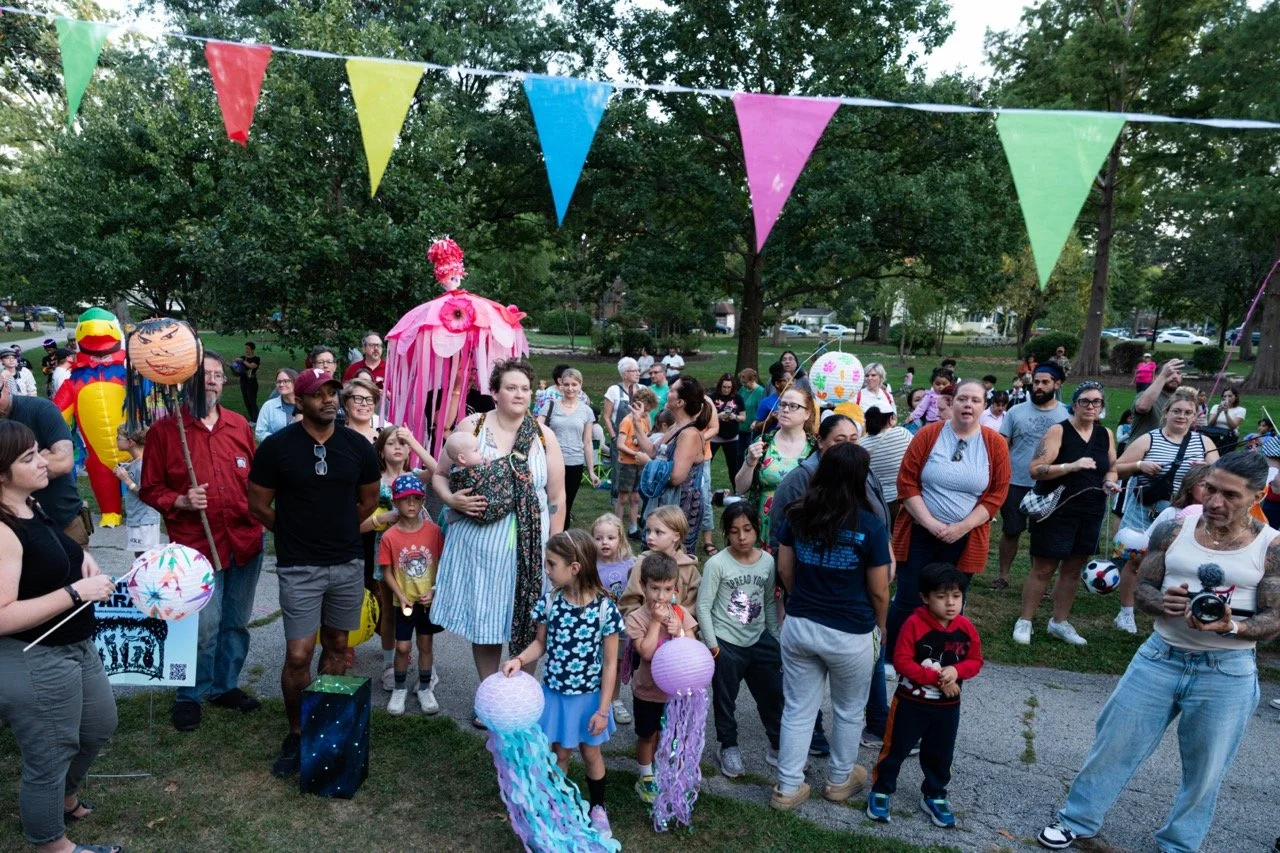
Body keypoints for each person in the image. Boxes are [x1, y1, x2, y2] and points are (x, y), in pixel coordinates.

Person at [1037, 452, 1280, 852]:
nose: (1215, 502)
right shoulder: (1172, 529)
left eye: (1230, 495)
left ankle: (1179, 845)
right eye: (1211, 489)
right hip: (1160, 654)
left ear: (1259, 493)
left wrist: (1231, 625)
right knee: (1114, 743)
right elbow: (1143, 586)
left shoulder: (1270, 547)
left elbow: (1275, 618)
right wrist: (1160, 602)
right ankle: (1076, 821)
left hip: (1227, 669)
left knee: (1206, 769)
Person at [248, 367, 380, 777]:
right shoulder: (277, 448)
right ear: (299, 402)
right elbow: (258, 505)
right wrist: (292, 534)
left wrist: (337, 530)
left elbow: (368, 501)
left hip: (346, 564)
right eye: (318, 393)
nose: (328, 399)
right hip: (298, 566)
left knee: (339, 646)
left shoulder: (358, 446)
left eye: (333, 392)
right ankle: (297, 732)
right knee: (298, 654)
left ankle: (324, 724)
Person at [0, 421, 122, 853]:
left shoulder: (31, 504)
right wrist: (75, 592)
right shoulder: (2, 530)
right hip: (35, 657)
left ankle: (64, 799)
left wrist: (82, 558)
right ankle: (52, 844)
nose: (42, 460)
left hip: (75, 647)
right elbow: (3, 616)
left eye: (39, 451)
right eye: (28, 457)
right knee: (50, 752)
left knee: (98, 727)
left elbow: (50, 549)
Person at [430, 361, 566, 717]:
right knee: (487, 619)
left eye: (525, 388)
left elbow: (556, 497)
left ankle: (522, 697)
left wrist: (555, 547)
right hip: (479, 547)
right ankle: (489, 696)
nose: (519, 394)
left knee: (530, 617)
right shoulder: (471, 428)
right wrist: (451, 499)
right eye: (511, 387)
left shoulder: (541, 436)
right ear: (495, 392)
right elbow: (440, 476)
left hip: (531, 546)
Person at [141, 351, 266, 731]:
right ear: (187, 382)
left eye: (216, 374)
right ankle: (190, 694)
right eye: (203, 374)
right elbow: (149, 488)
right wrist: (179, 500)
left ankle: (224, 686)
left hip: (244, 539)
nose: (212, 380)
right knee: (203, 626)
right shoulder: (167, 431)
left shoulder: (239, 425)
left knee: (236, 622)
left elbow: (258, 476)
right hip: (196, 547)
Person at [771, 442, 890, 811]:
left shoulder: (798, 514)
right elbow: (879, 590)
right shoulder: (870, 525)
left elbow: (785, 568)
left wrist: (800, 601)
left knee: (797, 708)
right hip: (851, 631)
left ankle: (787, 787)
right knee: (849, 710)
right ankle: (839, 780)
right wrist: (881, 627)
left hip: (801, 623)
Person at [502, 529, 623, 834]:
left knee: (591, 753)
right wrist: (519, 659)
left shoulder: (605, 608)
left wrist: (603, 709)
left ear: (575, 567)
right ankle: (560, 806)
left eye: (551, 564)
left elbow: (610, 664)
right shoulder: (550, 602)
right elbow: (540, 644)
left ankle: (598, 808)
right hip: (555, 695)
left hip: (590, 700)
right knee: (561, 754)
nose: (546, 569)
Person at [890, 379, 1011, 656]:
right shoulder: (928, 435)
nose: (968, 405)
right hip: (920, 532)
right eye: (962, 399)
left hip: (965, 537)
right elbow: (907, 482)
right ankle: (895, 655)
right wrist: (930, 523)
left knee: (951, 599)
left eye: (975, 400)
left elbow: (996, 495)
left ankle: (939, 655)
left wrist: (960, 528)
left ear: (985, 406)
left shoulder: (995, 445)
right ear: (951, 402)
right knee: (910, 597)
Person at [867, 562, 984, 828]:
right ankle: (882, 790)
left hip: (947, 707)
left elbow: (976, 661)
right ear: (925, 597)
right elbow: (902, 662)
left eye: (956, 596)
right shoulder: (914, 624)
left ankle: (934, 793)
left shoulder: (965, 628)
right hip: (910, 703)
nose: (950, 603)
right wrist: (939, 678)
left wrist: (956, 669)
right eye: (941, 597)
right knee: (895, 749)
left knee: (940, 754)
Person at [1013, 382, 1120, 647]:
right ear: (1074, 404)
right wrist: (1071, 466)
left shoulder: (1105, 434)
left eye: (1097, 402)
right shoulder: (1058, 430)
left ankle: (1059, 622)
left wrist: (1109, 481)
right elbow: (1036, 469)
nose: (1091, 406)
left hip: (1091, 509)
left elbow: (1112, 467)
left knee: (1073, 569)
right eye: (1085, 401)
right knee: (1044, 568)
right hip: (1057, 509)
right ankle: (1025, 620)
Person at [1110, 387, 1220, 634]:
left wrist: (1205, 469)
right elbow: (1117, 467)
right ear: (1166, 412)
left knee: (1179, 563)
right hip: (1146, 508)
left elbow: (1220, 476)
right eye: (1177, 411)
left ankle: (1174, 610)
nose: (1182, 416)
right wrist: (1140, 464)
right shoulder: (1149, 439)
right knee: (1135, 561)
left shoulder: (1205, 442)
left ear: (1195, 417)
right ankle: (1126, 612)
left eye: (1188, 412)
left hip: (1185, 512)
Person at [698, 503, 782, 778]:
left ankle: (778, 743)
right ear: (726, 533)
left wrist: (774, 638)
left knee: (772, 694)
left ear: (757, 529)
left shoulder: (768, 561)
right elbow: (704, 607)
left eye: (747, 530)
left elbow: (769, 600)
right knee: (725, 699)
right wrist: (713, 646)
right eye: (734, 531)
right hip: (726, 642)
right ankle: (728, 746)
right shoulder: (717, 564)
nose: (742, 537)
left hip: (759, 639)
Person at [623, 550, 698, 804]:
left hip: (675, 692)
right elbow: (646, 652)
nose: (661, 596)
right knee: (648, 734)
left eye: (667, 589)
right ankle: (645, 777)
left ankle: (667, 771)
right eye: (655, 589)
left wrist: (679, 632)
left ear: (674, 588)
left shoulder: (680, 613)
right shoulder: (637, 618)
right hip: (648, 690)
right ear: (643, 586)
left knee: (673, 734)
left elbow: (693, 647)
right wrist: (656, 623)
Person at [994, 364, 1069, 591]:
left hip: (1050, 485)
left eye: (1045, 382)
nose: (1039, 386)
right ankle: (1003, 577)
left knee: (1043, 537)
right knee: (1011, 531)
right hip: (1015, 482)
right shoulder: (1015, 412)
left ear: (1057, 384)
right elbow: (1001, 447)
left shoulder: (1067, 414)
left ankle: (1040, 583)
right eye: (1036, 381)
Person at [379, 473, 445, 717]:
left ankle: (426, 688)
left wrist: (435, 590)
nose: (411, 505)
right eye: (405, 500)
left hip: (427, 602)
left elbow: (445, 565)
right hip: (403, 602)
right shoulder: (390, 536)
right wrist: (400, 595)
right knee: (403, 647)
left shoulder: (435, 532)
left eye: (416, 500)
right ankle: (399, 688)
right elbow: (386, 572)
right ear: (395, 502)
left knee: (426, 644)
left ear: (423, 501)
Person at [0, 365, 87, 547]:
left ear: (6, 387)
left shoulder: (41, 409)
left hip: (62, 520)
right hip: (13, 529)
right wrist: (41, 459)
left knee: (79, 573)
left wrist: (11, 474)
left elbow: (63, 462)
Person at [632, 376, 711, 555]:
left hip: (680, 508)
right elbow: (653, 450)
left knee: (672, 559)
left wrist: (648, 465)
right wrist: (637, 422)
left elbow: (676, 477)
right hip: (664, 503)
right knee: (653, 554)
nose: (668, 392)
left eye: (673, 390)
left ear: (680, 402)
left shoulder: (689, 434)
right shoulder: (676, 426)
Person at [736, 385, 818, 548]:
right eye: (782, 404)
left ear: (807, 414)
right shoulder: (763, 443)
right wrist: (750, 462)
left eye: (793, 406)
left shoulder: (815, 449)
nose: (785, 410)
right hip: (763, 523)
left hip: (800, 525)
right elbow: (740, 487)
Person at [538, 367, 597, 523]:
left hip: (575, 463)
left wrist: (591, 471)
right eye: (566, 384)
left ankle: (560, 539)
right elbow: (536, 431)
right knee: (549, 502)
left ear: (580, 385)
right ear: (560, 385)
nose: (570, 388)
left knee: (567, 504)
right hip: (552, 462)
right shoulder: (550, 406)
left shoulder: (586, 411)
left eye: (574, 384)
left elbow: (588, 442)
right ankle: (545, 533)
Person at [593, 512, 636, 724]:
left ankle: (615, 700)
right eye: (599, 538)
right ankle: (596, 700)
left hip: (620, 627)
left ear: (620, 538)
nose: (604, 542)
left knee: (615, 663)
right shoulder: (590, 566)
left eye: (610, 537)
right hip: (595, 627)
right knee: (595, 663)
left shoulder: (630, 564)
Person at [613, 386, 658, 538]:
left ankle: (633, 528)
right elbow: (620, 444)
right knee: (623, 497)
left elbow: (649, 435)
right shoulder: (627, 421)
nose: (647, 413)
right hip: (627, 463)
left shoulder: (645, 419)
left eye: (649, 411)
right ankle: (617, 528)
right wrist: (636, 453)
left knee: (635, 497)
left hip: (640, 464)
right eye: (646, 410)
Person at [113, 423, 160, 558]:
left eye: (119, 437)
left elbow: (148, 494)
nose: (116, 440)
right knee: (139, 555)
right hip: (137, 517)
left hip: (145, 520)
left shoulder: (143, 464)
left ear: (130, 442)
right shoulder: (136, 461)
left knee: (145, 557)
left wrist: (127, 480)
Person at [602, 357, 642, 501]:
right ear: (624, 374)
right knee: (618, 470)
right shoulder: (614, 390)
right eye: (634, 371)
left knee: (638, 470)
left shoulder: (643, 390)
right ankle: (616, 500)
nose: (638, 373)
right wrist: (613, 437)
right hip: (620, 438)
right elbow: (606, 417)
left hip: (639, 440)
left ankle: (634, 501)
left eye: (638, 370)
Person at [862, 408, 913, 523]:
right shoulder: (901, 433)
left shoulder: (861, 443)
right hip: (903, 495)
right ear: (890, 419)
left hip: (877, 500)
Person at [1130, 357, 1184, 442]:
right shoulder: (1145, 395)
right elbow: (1142, 407)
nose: (1175, 376)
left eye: (1178, 373)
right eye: (1170, 373)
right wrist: (1163, 375)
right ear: (1156, 377)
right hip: (1142, 452)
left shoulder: (1180, 401)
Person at [709, 372, 745, 484]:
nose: (726, 389)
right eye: (724, 387)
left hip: (732, 437)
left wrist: (734, 417)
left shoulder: (738, 398)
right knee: (706, 463)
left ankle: (737, 491)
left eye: (729, 387)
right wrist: (718, 416)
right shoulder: (712, 397)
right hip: (715, 436)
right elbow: (706, 417)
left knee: (733, 466)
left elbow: (743, 418)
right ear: (720, 386)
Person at [255, 369, 298, 441]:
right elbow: (260, 433)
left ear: (295, 382)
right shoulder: (269, 406)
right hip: (276, 450)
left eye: (285, 381)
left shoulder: (306, 405)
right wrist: (279, 440)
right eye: (279, 382)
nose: (281, 384)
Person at [1203, 385, 1246, 451]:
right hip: (1214, 434)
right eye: (1224, 396)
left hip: (1229, 436)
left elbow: (1233, 426)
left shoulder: (1241, 410)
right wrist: (1218, 413)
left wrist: (1226, 413)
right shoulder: (1215, 407)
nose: (1227, 398)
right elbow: (1210, 424)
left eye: (1230, 396)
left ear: (1236, 397)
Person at [750, 362, 789, 434]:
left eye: (792, 380)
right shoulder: (766, 403)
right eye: (786, 380)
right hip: (772, 441)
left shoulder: (797, 402)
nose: (791, 383)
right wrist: (770, 420)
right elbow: (756, 428)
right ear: (777, 384)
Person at [736, 367, 765, 460]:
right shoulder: (743, 389)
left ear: (752, 380)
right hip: (741, 427)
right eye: (742, 382)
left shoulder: (760, 391)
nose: (743, 384)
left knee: (750, 454)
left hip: (752, 429)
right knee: (739, 455)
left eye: (745, 382)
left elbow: (761, 409)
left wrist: (756, 421)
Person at [342, 377, 383, 442]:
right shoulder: (336, 436)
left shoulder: (384, 438)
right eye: (358, 398)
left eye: (369, 399)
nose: (364, 403)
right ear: (346, 404)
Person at [232, 341, 261, 422]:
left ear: (253, 349)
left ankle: (256, 420)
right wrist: (235, 362)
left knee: (252, 400)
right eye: (246, 348)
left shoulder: (256, 359)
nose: (246, 350)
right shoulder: (243, 357)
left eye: (248, 348)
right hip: (243, 380)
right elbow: (235, 364)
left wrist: (242, 361)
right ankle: (252, 419)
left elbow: (252, 366)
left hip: (252, 381)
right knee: (246, 400)